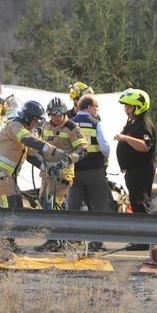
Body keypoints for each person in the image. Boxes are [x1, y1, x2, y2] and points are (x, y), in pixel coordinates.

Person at [0, 100, 68, 210]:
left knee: (17, 204)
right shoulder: (15, 125)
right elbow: (27, 139)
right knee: (10, 207)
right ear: (28, 117)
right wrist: (52, 150)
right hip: (0, 174)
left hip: (8, 176)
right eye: (36, 120)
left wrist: (48, 168)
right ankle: (4, 227)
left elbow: (31, 156)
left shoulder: (25, 130)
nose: (37, 123)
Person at [33, 97, 88, 252]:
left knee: (55, 205)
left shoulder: (71, 128)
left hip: (63, 174)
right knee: (45, 203)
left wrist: (68, 160)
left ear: (64, 112)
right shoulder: (45, 126)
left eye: (59, 114)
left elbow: (83, 150)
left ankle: (59, 240)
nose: (56, 118)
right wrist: (40, 161)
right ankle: (53, 239)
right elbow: (40, 146)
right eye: (53, 114)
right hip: (47, 174)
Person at [67, 94, 113, 251]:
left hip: (75, 171)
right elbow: (105, 148)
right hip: (95, 171)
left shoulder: (70, 123)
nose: (97, 110)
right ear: (89, 107)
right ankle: (96, 242)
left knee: (73, 206)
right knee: (98, 207)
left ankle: (73, 241)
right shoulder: (96, 123)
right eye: (96, 107)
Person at [115, 88, 156, 251]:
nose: (126, 109)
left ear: (138, 106)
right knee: (135, 203)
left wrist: (124, 138)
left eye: (129, 106)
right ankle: (140, 238)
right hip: (133, 171)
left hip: (141, 171)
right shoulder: (133, 122)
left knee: (140, 204)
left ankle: (144, 240)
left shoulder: (144, 124)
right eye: (126, 106)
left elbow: (145, 146)